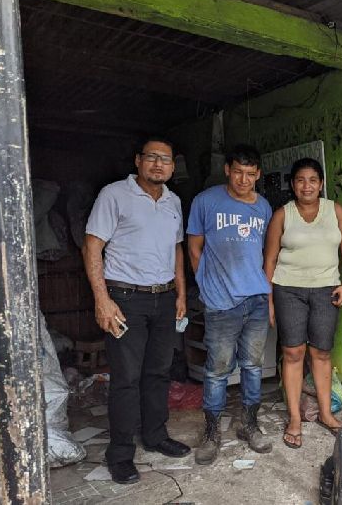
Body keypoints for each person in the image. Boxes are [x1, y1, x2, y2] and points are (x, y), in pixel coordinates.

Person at [83, 137, 190, 484]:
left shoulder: (173, 201)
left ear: (172, 167)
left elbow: (176, 249)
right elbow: (92, 246)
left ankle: (155, 436)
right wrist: (102, 299)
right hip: (125, 298)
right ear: (138, 161)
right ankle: (120, 454)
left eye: (165, 160)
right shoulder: (114, 195)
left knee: (158, 372)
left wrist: (181, 294)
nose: (159, 165)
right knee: (126, 378)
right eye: (152, 158)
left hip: (164, 297)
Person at [187, 145, 273, 464]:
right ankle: (211, 433)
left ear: (258, 174)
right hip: (221, 303)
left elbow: (264, 252)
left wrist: (265, 291)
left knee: (252, 366)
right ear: (227, 170)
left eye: (250, 174)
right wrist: (206, 287)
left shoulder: (263, 207)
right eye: (238, 172)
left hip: (256, 300)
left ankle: (249, 425)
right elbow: (194, 248)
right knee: (217, 370)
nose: (243, 179)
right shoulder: (205, 201)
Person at [263, 158, 342, 449]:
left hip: (326, 290)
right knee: (293, 352)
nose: (307, 186)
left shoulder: (335, 211)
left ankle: (326, 413)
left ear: (321, 183)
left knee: (322, 353)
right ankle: (294, 418)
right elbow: (270, 260)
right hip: (288, 290)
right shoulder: (282, 215)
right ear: (293, 184)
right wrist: (269, 300)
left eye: (313, 180)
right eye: (301, 180)